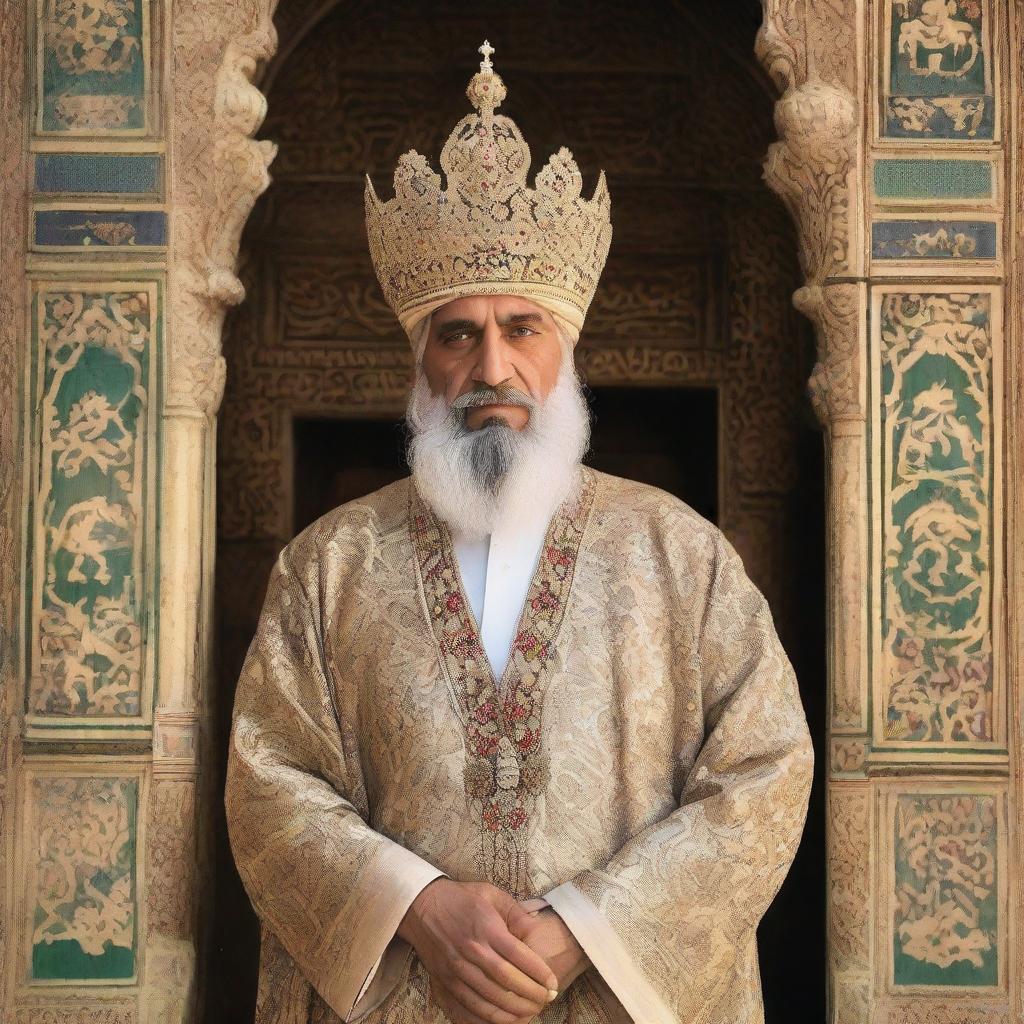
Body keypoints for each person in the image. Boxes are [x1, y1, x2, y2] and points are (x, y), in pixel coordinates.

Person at [225, 41, 814, 1024]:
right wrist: (418, 907)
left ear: (565, 351)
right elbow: (268, 785)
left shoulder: (680, 554)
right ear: (422, 360)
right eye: (457, 333)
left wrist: (588, 926)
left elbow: (762, 772)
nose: (490, 365)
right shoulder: (326, 566)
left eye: (521, 329)